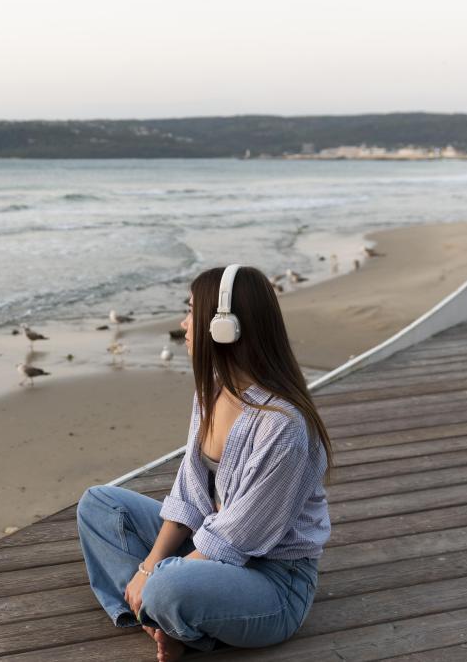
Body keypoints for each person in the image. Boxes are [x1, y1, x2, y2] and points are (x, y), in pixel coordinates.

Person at [76, 264, 333, 661]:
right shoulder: (212, 391)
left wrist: (157, 577)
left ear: (225, 327)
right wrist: (150, 566)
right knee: (99, 505)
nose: (183, 322)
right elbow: (189, 493)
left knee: (167, 587)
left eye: (192, 310)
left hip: (275, 583)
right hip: (214, 546)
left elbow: (237, 536)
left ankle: (169, 613)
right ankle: (159, 618)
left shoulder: (284, 427)